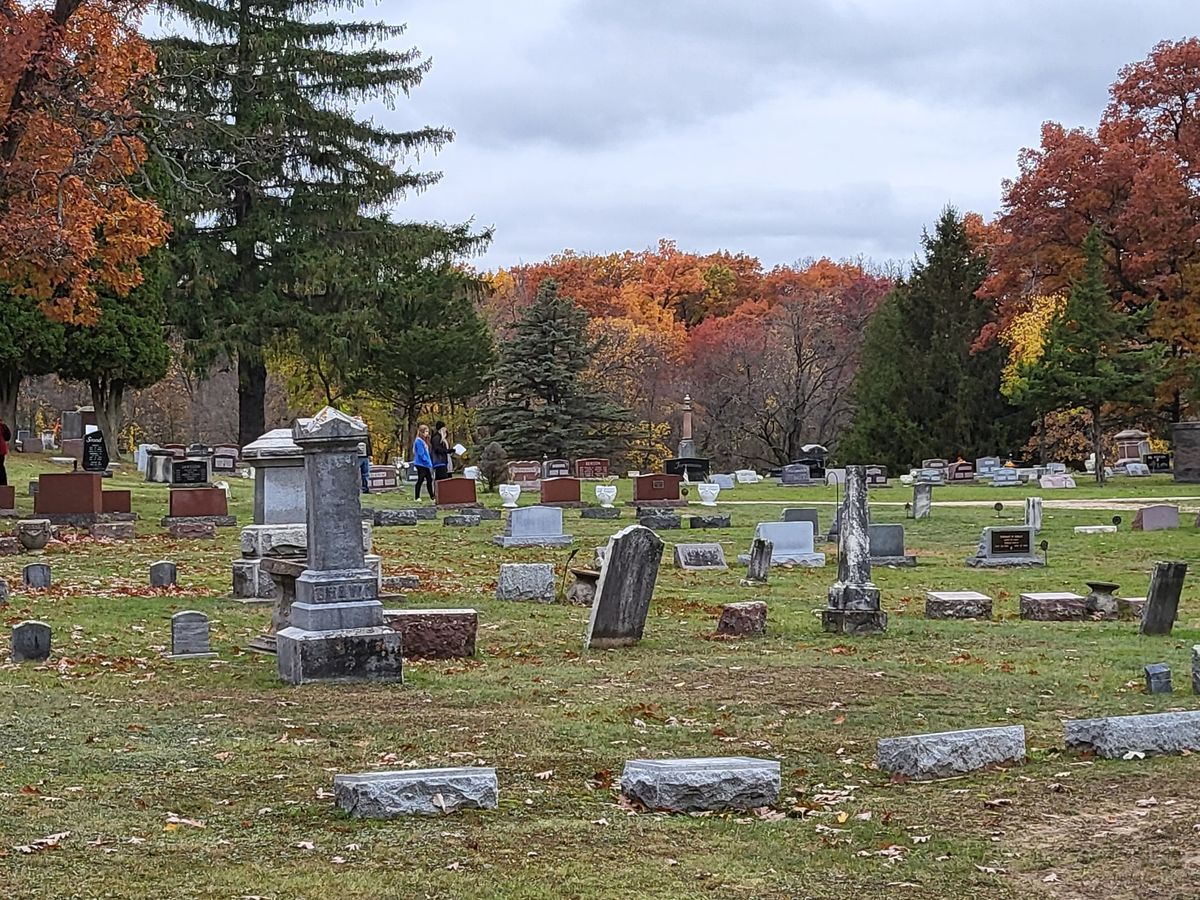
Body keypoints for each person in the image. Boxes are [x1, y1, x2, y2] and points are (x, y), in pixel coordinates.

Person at [412, 424, 435, 502]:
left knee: (429, 479)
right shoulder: (418, 441)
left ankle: (432, 496)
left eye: (427, 431)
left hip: (425, 464)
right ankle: (417, 497)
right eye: (425, 431)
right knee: (421, 479)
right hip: (421, 463)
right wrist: (427, 461)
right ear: (421, 432)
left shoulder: (424, 441)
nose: (427, 433)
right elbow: (421, 453)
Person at [0, 416, 8, 486]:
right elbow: (7, 437)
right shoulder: (2, 426)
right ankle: (3, 485)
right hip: (1, 450)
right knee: (1, 468)